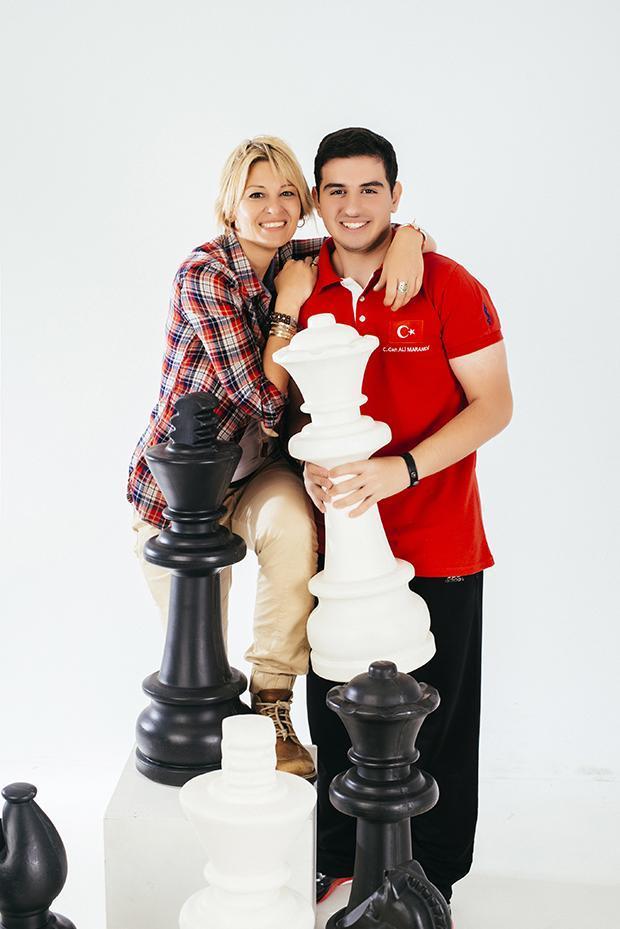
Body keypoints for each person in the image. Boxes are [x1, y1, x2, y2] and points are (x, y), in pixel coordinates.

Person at [126, 135, 435, 781]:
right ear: (229, 206)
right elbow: (265, 402)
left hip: (255, 475)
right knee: (197, 653)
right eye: (257, 195)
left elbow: (367, 237)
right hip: (178, 493)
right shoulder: (205, 275)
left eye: (288, 193)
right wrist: (289, 307)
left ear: (305, 203)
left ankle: (272, 706)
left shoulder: (296, 256)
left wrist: (410, 236)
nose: (275, 208)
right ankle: (211, 738)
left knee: (295, 528)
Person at [295, 127, 513, 904]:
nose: (353, 206)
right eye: (337, 190)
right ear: (317, 199)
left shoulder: (446, 282)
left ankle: (434, 876)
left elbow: (495, 404)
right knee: (335, 710)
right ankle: (338, 859)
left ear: (396, 195)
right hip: (342, 548)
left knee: (438, 721)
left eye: (370, 189)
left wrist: (404, 468)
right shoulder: (298, 283)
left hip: (439, 537)